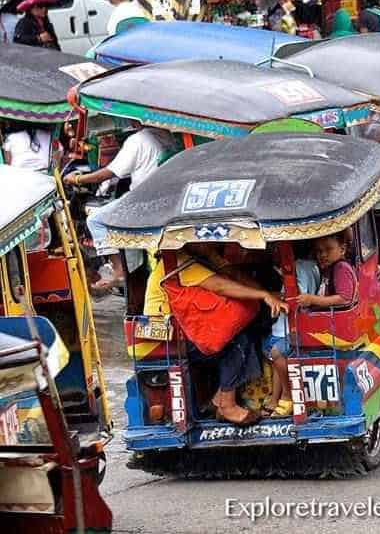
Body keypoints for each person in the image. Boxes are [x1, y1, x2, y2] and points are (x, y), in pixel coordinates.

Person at [143, 244, 287, 426]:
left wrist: (212, 255)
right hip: (173, 339)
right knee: (237, 340)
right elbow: (220, 286)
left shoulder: (186, 260)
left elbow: (229, 276)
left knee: (243, 333)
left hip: (179, 333)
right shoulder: (179, 262)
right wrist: (263, 295)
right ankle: (228, 406)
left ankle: (217, 401)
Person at [63, 123, 174, 290]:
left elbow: (110, 172)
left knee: (96, 220)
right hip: (165, 198)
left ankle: (119, 271)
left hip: (143, 201)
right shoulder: (168, 136)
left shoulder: (138, 140)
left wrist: (77, 179)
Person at [301, 232, 380, 370]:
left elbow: (345, 296)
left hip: (372, 295)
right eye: (319, 251)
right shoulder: (340, 264)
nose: (322, 255)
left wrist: (313, 300)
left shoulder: (341, 266)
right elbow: (345, 297)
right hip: (369, 299)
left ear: (342, 249)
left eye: (328, 250)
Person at [261, 253, 320, 418]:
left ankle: (287, 396)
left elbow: (296, 296)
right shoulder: (311, 264)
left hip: (292, 329)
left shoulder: (297, 268)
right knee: (272, 352)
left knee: (276, 352)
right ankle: (275, 399)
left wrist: (267, 295)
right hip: (291, 327)